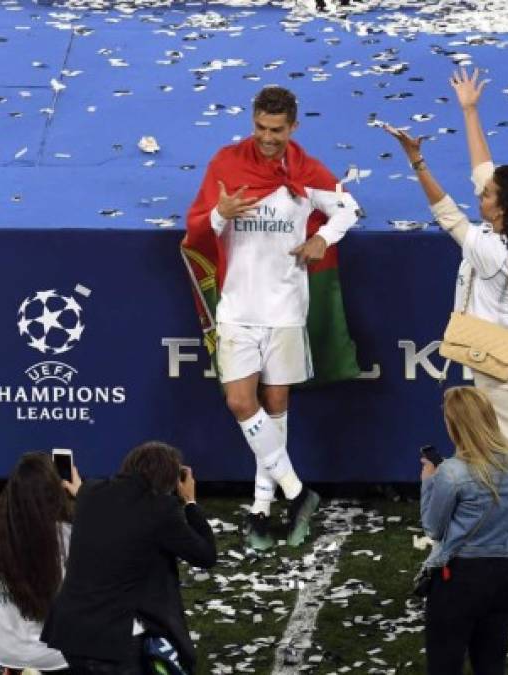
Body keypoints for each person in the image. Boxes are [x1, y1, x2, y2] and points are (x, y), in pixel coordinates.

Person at [387, 67, 508, 571]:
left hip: (498, 363)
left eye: (487, 197)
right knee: (499, 455)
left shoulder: (492, 249)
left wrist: (417, 162)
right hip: (499, 352)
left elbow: (446, 214)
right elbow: (485, 169)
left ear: (502, 211)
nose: (480, 195)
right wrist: (469, 110)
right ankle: (504, 540)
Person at [183, 85, 361, 549]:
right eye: (260, 128)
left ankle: (261, 511)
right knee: (242, 403)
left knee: (276, 405)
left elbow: (348, 208)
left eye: (277, 130)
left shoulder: (306, 171)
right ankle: (298, 492)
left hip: (285, 308)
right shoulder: (226, 165)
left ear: (293, 127)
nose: (267, 138)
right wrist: (221, 214)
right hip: (238, 308)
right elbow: (198, 227)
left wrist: (325, 239)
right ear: (253, 121)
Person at [41, 441, 217, 674]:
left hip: (69, 633)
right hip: (114, 643)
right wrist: (191, 503)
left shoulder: (90, 492)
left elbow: (87, 494)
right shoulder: (161, 510)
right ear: (169, 478)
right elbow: (205, 556)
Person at [420, 387, 508, 675]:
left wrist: (428, 483)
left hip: (459, 581)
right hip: (504, 579)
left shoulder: (452, 473)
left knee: (444, 666)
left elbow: (433, 528)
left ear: (454, 424)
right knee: (491, 667)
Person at [0, 452, 80, 674]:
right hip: (55, 654)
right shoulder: (72, 535)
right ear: (55, 493)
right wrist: (81, 495)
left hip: (1, 645)